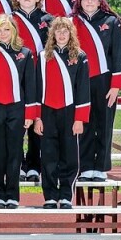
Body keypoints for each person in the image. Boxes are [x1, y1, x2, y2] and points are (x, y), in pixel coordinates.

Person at [0, 15, 38, 208]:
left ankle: (12, 194)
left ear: (14, 30)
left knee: (14, 153)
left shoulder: (25, 53)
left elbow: (30, 87)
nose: (3, 34)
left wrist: (30, 114)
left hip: (17, 109)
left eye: (6, 30)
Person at [33, 17, 90, 209]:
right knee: (48, 156)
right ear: (53, 34)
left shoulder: (80, 56)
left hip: (70, 112)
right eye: (58, 31)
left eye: (65, 31)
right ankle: (50, 195)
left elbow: (83, 89)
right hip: (47, 111)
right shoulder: (42, 56)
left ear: (71, 33)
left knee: (70, 156)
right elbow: (36, 88)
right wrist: (37, 117)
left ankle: (66, 195)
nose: (62, 34)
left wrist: (80, 119)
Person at [72, 0, 121, 182]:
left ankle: (101, 167)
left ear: (99, 0)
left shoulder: (112, 21)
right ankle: (85, 166)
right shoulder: (72, 22)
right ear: (80, 0)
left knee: (104, 124)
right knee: (84, 123)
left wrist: (116, 86)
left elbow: (118, 55)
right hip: (81, 81)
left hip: (105, 81)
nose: (89, 2)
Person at [11, 0, 54, 182]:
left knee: (38, 118)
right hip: (16, 76)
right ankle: (18, 163)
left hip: (42, 75)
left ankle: (35, 164)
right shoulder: (9, 20)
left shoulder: (49, 20)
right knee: (19, 120)